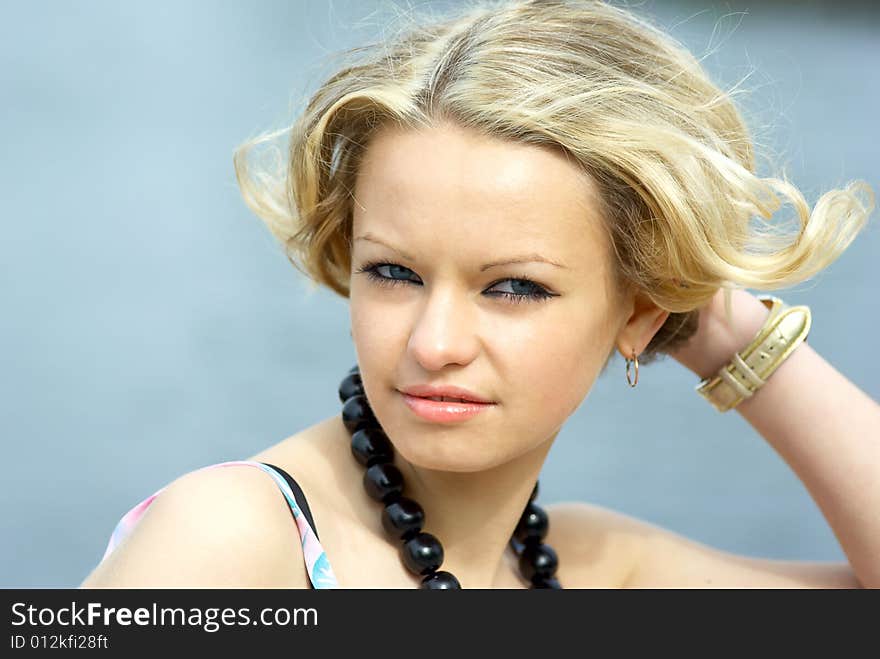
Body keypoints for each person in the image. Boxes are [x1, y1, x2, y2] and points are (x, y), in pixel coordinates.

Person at [80, 0, 877, 589]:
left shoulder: (592, 569)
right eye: (394, 272)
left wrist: (726, 328)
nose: (434, 343)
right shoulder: (235, 541)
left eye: (514, 287)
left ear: (639, 311)